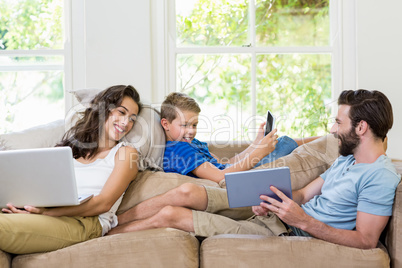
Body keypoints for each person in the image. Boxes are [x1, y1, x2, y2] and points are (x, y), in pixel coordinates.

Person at [109, 89, 400, 250]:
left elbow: (366, 240)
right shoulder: (345, 160)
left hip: (293, 235)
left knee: (174, 214)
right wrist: (277, 201)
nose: (333, 129)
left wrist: (304, 221)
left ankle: (104, 233)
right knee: (185, 197)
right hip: (279, 219)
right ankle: (107, 228)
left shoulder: (380, 176)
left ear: (361, 127)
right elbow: (302, 193)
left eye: (339, 123)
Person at [0, 85, 142, 254]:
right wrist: (29, 207)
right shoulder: (71, 150)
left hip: (85, 222)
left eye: (132, 118)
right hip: (49, 213)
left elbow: (104, 203)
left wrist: (47, 214)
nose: (126, 123)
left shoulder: (126, 153)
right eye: (121, 112)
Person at [161, 92, 318, 183]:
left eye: (194, 125)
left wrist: (256, 144)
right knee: (283, 144)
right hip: (233, 184)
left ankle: (327, 139)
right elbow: (220, 177)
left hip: (235, 176)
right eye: (184, 125)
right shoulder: (178, 149)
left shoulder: (191, 143)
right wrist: (259, 153)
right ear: (166, 124)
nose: (191, 131)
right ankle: (327, 139)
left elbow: (226, 165)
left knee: (284, 146)